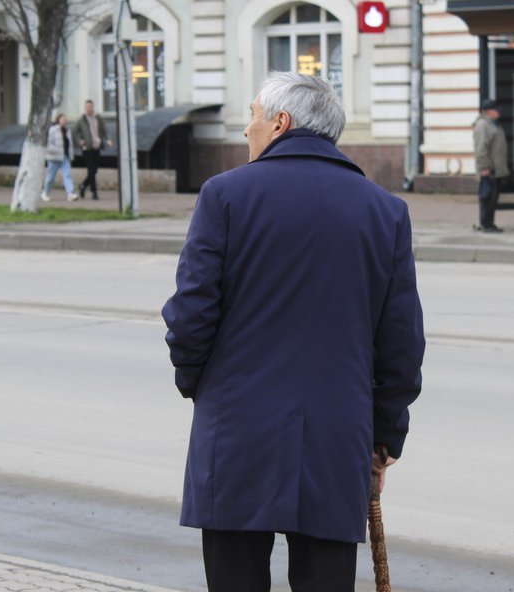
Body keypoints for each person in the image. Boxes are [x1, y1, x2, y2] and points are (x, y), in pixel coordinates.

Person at [162, 72, 426, 592]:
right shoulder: (385, 211)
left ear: (281, 122)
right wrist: (384, 434)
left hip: (237, 429)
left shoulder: (225, 195)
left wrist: (200, 385)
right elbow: (401, 342)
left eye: (254, 115)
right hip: (337, 433)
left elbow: (190, 315)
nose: (246, 129)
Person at [473, 98, 509, 233]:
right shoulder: (483, 125)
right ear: (489, 111)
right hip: (488, 170)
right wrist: (484, 167)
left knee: (492, 198)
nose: (499, 112)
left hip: (495, 170)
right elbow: (481, 149)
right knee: (487, 197)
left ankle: (490, 223)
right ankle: (485, 224)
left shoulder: (493, 124)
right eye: (496, 110)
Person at [74, 99, 112, 200]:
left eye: (90, 107)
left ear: (93, 107)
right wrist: (80, 141)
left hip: (96, 146)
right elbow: (75, 132)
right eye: (87, 107)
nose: (88, 109)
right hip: (87, 148)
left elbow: (104, 130)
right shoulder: (82, 120)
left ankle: (83, 185)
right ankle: (94, 192)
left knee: (94, 170)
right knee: (91, 169)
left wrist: (108, 139)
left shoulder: (98, 118)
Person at [42, 113, 77, 202]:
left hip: (65, 156)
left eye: (65, 119)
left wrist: (70, 155)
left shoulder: (67, 131)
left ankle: (70, 193)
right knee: (51, 176)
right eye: (63, 119)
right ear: (58, 120)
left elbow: (69, 144)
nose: (65, 121)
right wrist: (56, 150)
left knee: (67, 175)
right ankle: (45, 193)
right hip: (54, 157)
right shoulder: (53, 130)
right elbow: (49, 144)